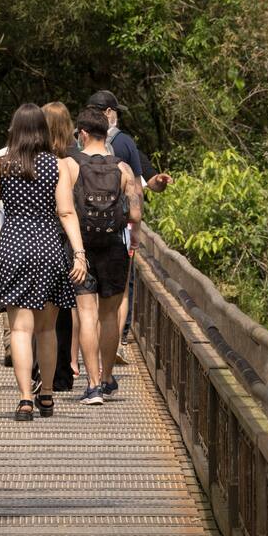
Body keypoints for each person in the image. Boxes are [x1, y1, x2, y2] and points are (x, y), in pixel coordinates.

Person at [0, 104, 87, 421]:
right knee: (46, 329)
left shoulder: (1, 165)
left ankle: (26, 399)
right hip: (48, 248)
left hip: (12, 246)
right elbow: (67, 213)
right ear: (42, 130)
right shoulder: (57, 166)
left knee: (20, 329)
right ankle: (48, 396)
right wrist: (79, 253)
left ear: (14, 130)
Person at [84, 90, 172, 360]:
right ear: (109, 113)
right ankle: (117, 341)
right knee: (120, 290)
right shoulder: (125, 143)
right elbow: (140, 184)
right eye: (116, 111)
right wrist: (136, 227)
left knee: (85, 297)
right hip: (118, 228)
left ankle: (83, 359)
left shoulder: (78, 144)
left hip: (84, 229)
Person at [71, 106, 143, 403]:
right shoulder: (123, 169)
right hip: (114, 246)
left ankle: (92, 385)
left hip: (82, 249)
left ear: (83, 134)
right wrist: (134, 239)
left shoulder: (70, 165)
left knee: (87, 314)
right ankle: (108, 377)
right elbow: (136, 214)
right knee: (110, 314)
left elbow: (62, 208)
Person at [41, 102, 82, 392]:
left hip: (41, 239)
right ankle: (62, 374)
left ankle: (39, 373)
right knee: (63, 310)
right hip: (69, 239)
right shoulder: (75, 160)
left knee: (36, 310)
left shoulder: (34, 160)